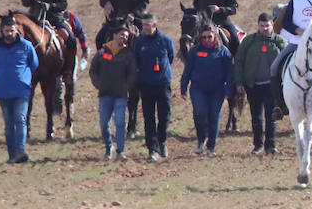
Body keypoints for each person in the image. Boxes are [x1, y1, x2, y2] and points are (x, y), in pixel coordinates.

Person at [0, 14, 40, 164]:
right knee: (9, 123)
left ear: (16, 30)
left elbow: (34, 64)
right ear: (2, 30)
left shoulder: (26, 46)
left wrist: (24, 77)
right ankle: (12, 154)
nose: (9, 33)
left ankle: (20, 151)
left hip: (21, 90)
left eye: (12, 30)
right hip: (3, 90)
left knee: (20, 119)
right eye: (6, 30)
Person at [180, 23, 237, 157]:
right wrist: (183, 87)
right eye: (204, 37)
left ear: (215, 36)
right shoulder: (194, 51)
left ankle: (211, 147)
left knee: (214, 117)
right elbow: (187, 70)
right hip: (198, 88)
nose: (206, 39)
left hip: (217, 90)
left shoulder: (223, 51)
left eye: (209, 37)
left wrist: (229, 89)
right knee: (199, 113)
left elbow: (230, 72)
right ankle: (201, 140)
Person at [235, 13, 286, 156]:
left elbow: (288, 64)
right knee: (256, 117)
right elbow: (239, 62)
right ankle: (257, 145)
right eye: (262, 26)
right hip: (253, 86)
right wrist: (239, 82)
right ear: (258, 25)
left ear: (272, 25)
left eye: (267, 26)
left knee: (271, 117)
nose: (264, 28)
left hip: (272, 87)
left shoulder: (280, 42)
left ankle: (271, 146)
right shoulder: (249, 42)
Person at [132, 14, 176, 162]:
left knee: (164, 115)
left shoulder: (165, 41)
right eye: (143, 25)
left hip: (163, 83)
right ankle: (153, 148)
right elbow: (135, 60)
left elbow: (171, 57)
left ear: (155, 25)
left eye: (147, 25)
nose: (145, 28)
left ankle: (162, 140)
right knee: (149, 117)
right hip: (146, 84)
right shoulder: (139, 42)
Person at [89, 26, 137, 161]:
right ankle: (108, 147)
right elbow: (93, 70)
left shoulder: (128, 54)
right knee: (104, 124)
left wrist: (126, 86)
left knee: (120, 122)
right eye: (122, 35)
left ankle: (120, 151)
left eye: (126, 36)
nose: (124, 38)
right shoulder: (102, 52)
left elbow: (133, 74)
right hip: (105, 94)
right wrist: (99, 84)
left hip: (121, 95)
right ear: (114, 35)